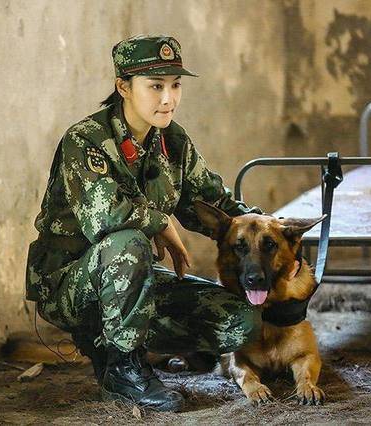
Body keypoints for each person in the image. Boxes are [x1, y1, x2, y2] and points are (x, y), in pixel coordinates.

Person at [25, 35, 262, 412]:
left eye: (175, 85)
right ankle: (122, 369)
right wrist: (161, 221)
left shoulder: (173, 141)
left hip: (133, 282)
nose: (168, 98)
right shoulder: (86, 140)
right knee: (129, 240)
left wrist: (261, 226)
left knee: (243, 321)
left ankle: (122, 344)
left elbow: (214, 204)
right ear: (123, 87)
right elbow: (106, 218)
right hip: (70, 284)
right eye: (155, 86)